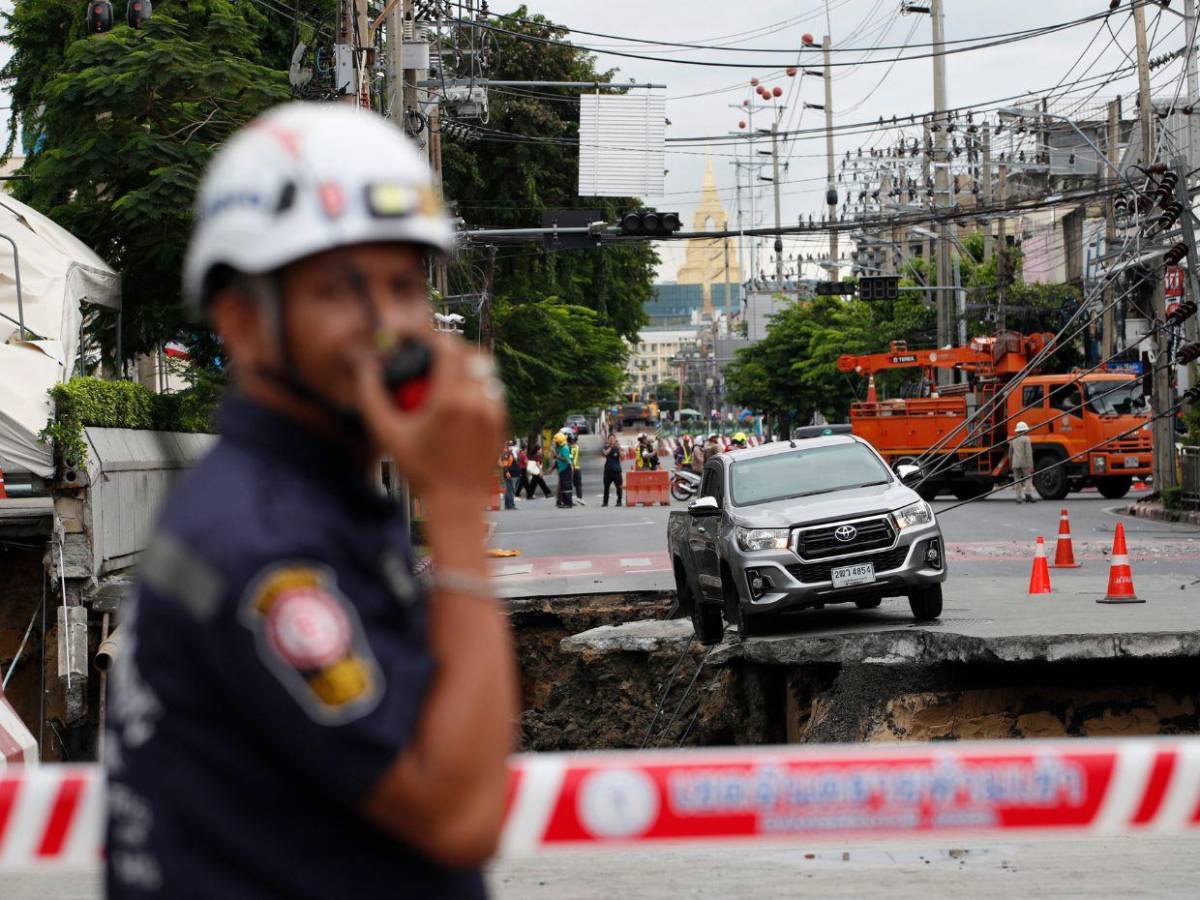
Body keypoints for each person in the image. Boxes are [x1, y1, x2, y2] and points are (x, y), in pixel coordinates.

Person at [105, 104, 518, 899]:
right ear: (243, 322)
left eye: (404, 285)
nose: (390, 326)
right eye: (339, 292)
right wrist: (460, 507)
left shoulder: (311, 499)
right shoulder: (265, 546)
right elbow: (461, 815)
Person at [1009, 420, 1037, 503]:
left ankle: (1018, 498)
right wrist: (1031, 465)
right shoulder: (1026, 439)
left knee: (1017, 479)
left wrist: (1011, 464)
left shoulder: (1013, 439)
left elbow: (1010, 453)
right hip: (1024, 462)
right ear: (1024, 430)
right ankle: (1028, 494)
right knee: (1028, 478)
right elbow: (1028, 453)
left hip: (1015, 463)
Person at [601, 433, 623, 506]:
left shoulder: (618, 448)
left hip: (617, 470)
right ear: (608, 440)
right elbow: (605, 454)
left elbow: (623, 456)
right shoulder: (606, 446)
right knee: (606, 487)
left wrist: (619, 448)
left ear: (615, 439)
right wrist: (611, 447)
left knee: (619, 487)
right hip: (608, 470)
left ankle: (619, 501)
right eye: (610, 439)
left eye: (613, 439)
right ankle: (605, 502)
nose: (611, 440)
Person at [553, 431, 574, 507]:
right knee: (563, 486)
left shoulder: (565, 448)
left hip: (566, 469)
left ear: (560, 441)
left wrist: (557, 456)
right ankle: (564, 502)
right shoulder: (560, 448)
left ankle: (568, 503)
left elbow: (566, 459)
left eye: (556, 442)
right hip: (562, 469)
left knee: (566, 486)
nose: (556, 443)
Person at [568, 431, 586, 505]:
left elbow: (570, 457)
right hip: (577, 468)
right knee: (578, 484)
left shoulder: (568, 448)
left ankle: (569, 499)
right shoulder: (577, 447)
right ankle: (579, 498)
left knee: (570, 484)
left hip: (570, 468)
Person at [499, 443, 518, 510]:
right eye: (509, 446)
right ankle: (510, 505)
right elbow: (505, 464)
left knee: (509, 490)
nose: (511, 447)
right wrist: (507, 472)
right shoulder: (505, 454)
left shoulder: (508, 453)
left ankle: (508, 505)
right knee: (510, 490)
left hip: (511, 473)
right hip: (510, 474)